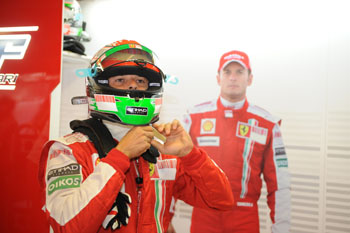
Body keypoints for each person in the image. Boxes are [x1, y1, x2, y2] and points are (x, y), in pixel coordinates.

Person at [38, 39, 234, 233]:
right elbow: (67, 227)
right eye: (121, 80)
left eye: (140, 81)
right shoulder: (67, 150)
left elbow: (221, 201)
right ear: (94, 88)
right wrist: (119, 157)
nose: (133, 87)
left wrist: (190, 155)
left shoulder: (163, 152)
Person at [185, 50, 291, 233]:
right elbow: (172, 172)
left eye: (239, 72)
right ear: (218, 78)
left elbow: (279, 185)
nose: (233, 78)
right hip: (204, 216)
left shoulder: (268, 124)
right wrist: (165, 216)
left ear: (250, 79)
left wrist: (281, 229)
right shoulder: (193, 117)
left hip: (245, 218)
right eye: (227, 72)